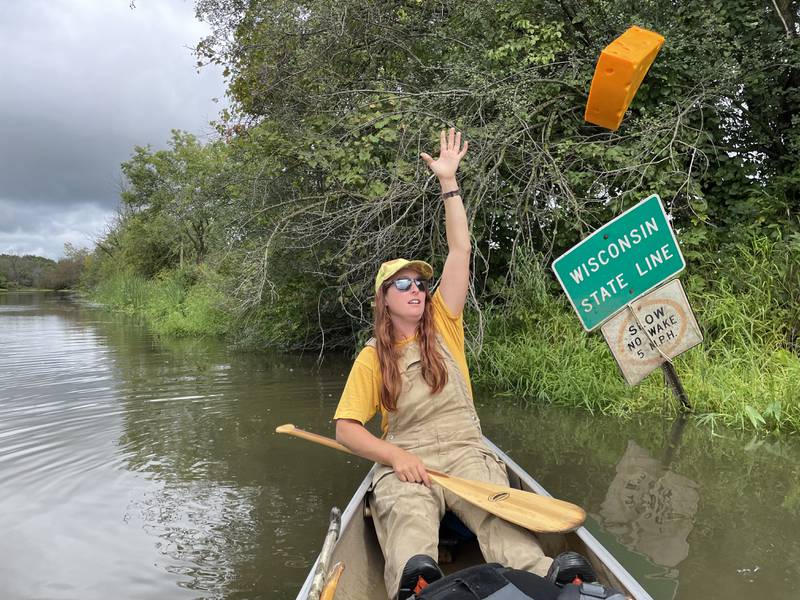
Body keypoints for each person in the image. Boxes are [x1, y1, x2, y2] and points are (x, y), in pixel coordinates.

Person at [333, 128, 552, 599]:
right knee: (409, 522)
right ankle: (419, 588)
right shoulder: (374, 357)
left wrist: (448, 183)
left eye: (419, 283)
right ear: (384, 300)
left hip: (465, 451)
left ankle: (546, 581)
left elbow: (460, 250)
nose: (417, 289)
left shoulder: (445, 324)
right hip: (407, 458)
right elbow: (346, 428)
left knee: (501, 517)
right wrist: (394, 456)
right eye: (404, 284)